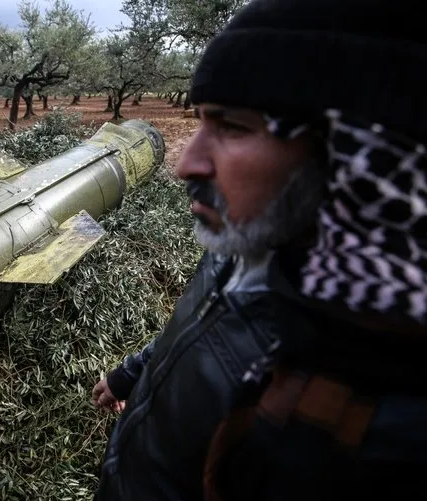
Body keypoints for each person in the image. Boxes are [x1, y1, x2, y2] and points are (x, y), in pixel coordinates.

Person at [93, 0, 427, 499]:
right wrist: (131, 374)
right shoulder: (247, 239)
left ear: (342, 154)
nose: (187, 164)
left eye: (233, 127)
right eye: (201, 121)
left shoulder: (367, 421)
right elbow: (199, 322)